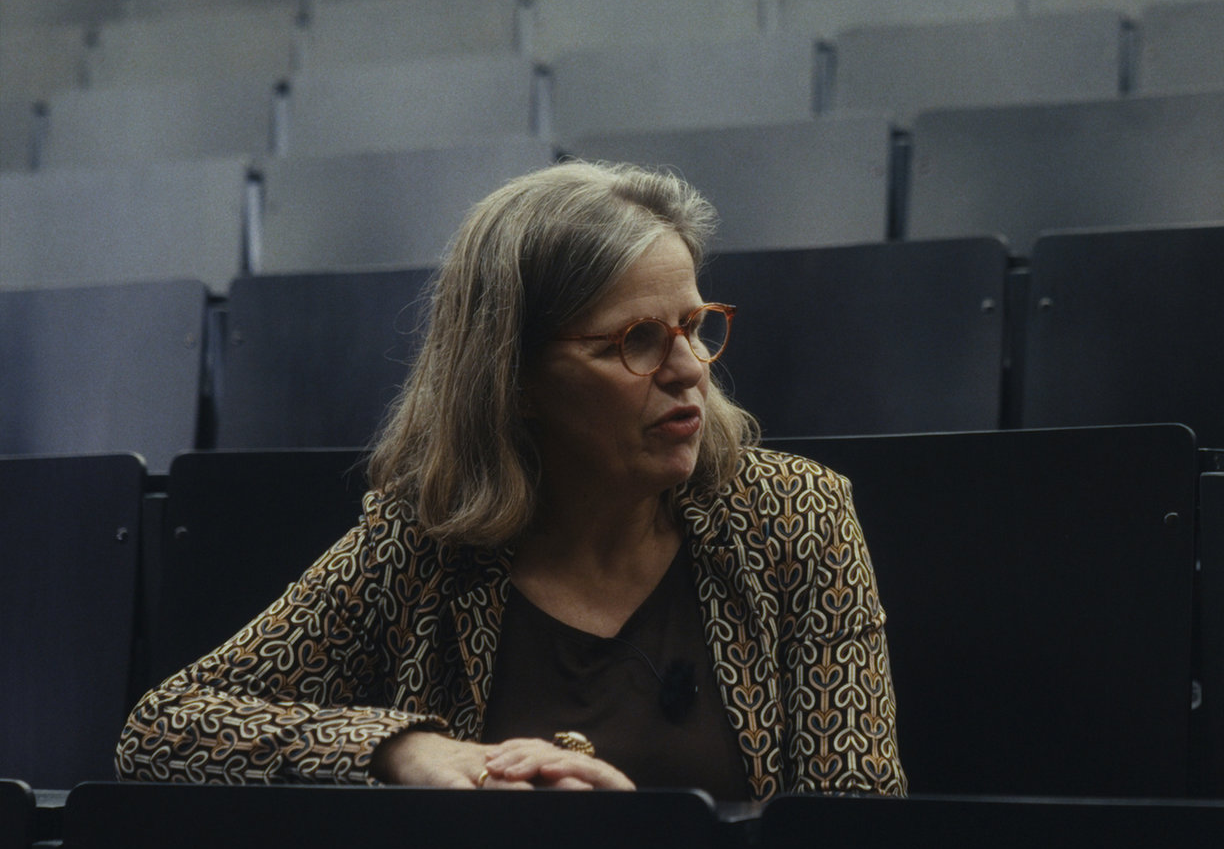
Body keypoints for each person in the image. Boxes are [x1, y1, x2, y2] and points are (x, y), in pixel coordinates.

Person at [117, 160, 906, 799]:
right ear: (514, 378)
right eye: (636, 341)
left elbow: (853, 824)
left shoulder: (795, 516)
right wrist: (402, 750)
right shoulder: (421, 544)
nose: (690, 368)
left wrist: (649, 838)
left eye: (696, 327)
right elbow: (162, 731)